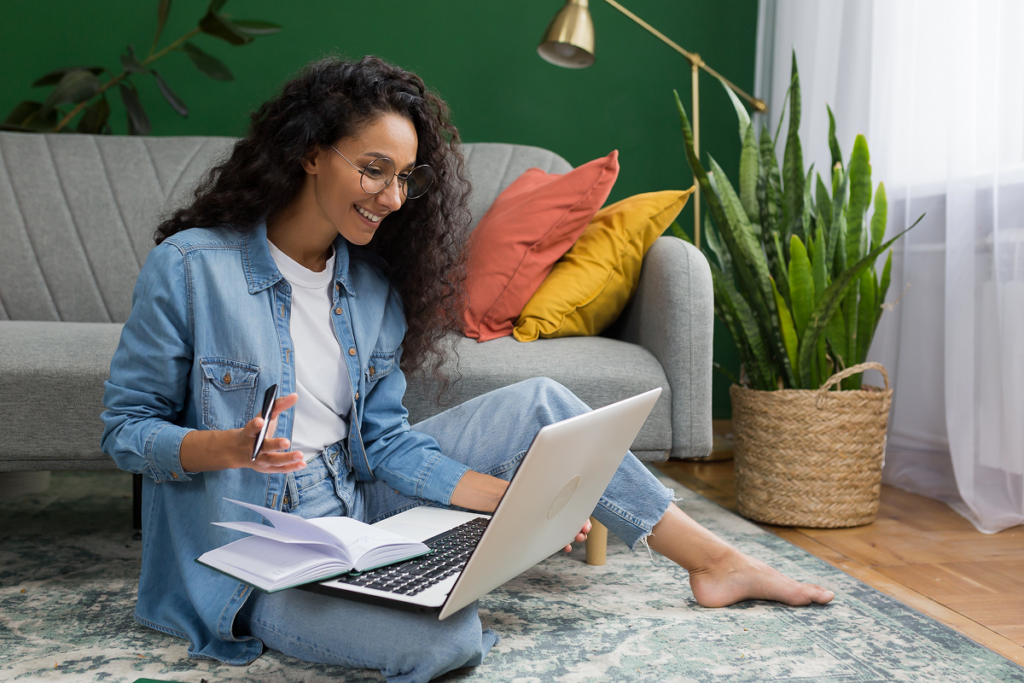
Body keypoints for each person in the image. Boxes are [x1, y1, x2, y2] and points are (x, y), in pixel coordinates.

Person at [100, 55, 833, 683]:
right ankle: (397, 588)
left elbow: (383, 445)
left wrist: (498, 497)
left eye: (404, 178)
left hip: (357, 506)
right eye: (373, 169)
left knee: (543, 400)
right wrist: (217, 446)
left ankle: (713, 560)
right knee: (446, 639)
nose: (391, 198)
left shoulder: (373, 290)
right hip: (253, 551)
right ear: (310, 152)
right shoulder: (192, 268)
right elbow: (125, 430)